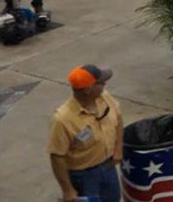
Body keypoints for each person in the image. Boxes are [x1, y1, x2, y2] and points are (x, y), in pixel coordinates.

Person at [49, 65, 123, 202]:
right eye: (101, 83)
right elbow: (57, 156)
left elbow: (118, 119)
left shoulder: (104, 98)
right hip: (84, 176)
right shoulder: (63, 119)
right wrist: (67, 190)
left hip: (108, 166)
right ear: (88, 89)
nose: (105, 85)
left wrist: (118, 149)